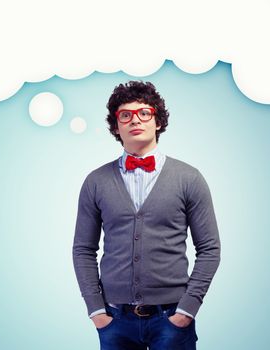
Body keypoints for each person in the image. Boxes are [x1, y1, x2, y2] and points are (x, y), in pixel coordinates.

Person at [72, 80, 221, 350]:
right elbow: (83, 249)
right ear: (116, 126)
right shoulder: (95, 181)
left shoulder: (189, 178)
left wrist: (187, 310)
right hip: (115, 319)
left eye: (144, 113)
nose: (134, 120)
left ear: (158, 121)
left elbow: (210, 249)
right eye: (125, 115)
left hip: (172, 317)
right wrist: (96, 310)